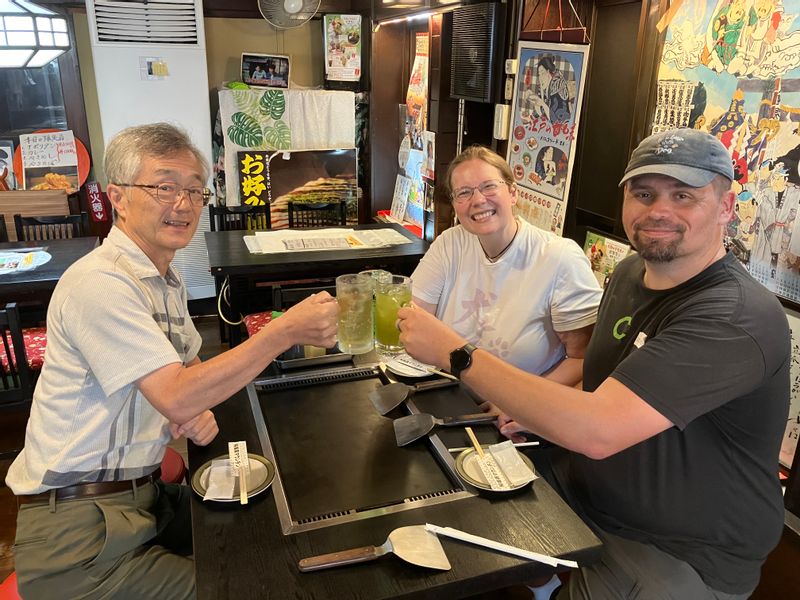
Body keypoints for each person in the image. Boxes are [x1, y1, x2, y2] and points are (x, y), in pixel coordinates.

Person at [397, 128, 790, 599]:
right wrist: (538, 407)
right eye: (644, 194)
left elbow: (597, 430)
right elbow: (599, 381)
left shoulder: (734, 316)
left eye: (683, 195)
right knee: (434, 521)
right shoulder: (628, 273)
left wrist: (456, 353)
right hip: (585, 492)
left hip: (672, 548)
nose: (658, 210)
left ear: (726, 207)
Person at [5, 123, 338, 599]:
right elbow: (178, 394)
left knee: (264, 526)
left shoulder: (162, 278)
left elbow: (191, 372)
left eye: (194, 191)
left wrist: (193, 401)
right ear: (117, 197)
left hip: (139, 500)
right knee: (252, 586)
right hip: (78, 536)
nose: (183, 204)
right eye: (163, 187)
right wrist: (281, 333)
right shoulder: (102, 283)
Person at [411, 146, 601, 442]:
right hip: (448, 400)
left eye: (488, 186)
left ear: (513, 192)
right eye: (463, 193)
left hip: (518, 422)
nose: (477, 200)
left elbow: (583, 360)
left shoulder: (559, 258)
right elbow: (414, 318)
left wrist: (518, 402)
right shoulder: (451, 244)